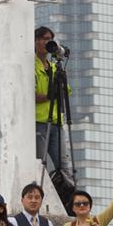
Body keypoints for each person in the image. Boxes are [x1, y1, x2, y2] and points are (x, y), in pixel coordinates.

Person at [34, 25, 69, 173]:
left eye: (51, 40)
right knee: (40, 165)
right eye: (45, 39)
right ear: (35, 41)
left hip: (56, 122)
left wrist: (56, 92)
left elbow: (66, 91)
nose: (48, 43)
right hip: (39, 122)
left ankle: (66, 193)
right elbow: (31, 96)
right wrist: (50, 95)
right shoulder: (31, 66)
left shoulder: (55, 68)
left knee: (63, 165)